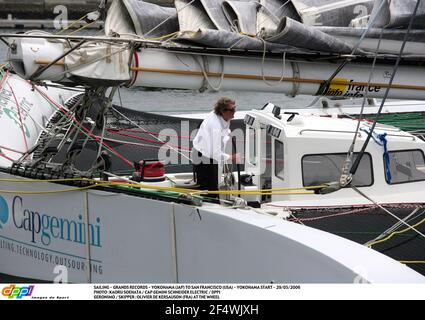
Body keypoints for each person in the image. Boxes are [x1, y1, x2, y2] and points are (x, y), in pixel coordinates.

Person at [192, 97, 240, 197]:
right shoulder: (215, 126)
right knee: (209, 190)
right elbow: (215, 153)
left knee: (213, 185)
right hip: (203, 157)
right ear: (223, 111)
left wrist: (228, 134)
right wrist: (231, 157)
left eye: (235, 108)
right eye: (232, 110)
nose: (234, 111)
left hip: (209, 155)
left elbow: (225, 128)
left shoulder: (222, 116)